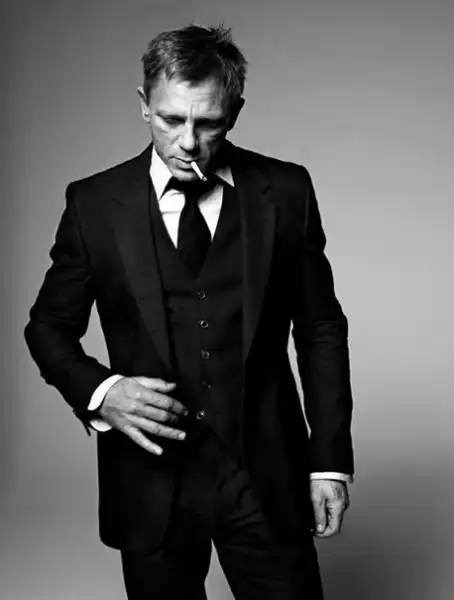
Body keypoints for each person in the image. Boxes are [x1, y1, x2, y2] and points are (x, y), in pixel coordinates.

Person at [24, 23, 354, 600]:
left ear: (236, 112)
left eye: (209, 123)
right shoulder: (94, 204)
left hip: (264, 475)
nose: (188, 142)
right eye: (171, 119)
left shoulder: (286, 191)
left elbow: (320, 328)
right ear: (143, 105)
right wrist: (103, 393)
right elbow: (48, 327)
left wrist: (327, 462)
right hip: (150, 478)